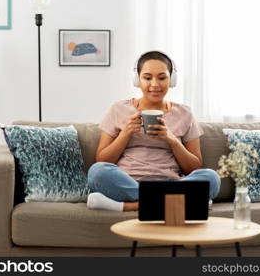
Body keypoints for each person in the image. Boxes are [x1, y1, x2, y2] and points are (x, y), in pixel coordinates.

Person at [87, 50, 220, 211]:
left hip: (172, 182)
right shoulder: (118, 109)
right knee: (97, 172)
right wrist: (126, 133)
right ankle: (179, 201)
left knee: (211, 178)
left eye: (162, 77)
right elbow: (102, 160)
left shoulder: (185, 113)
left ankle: (131, 206)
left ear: (172, 79)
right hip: (128, 182)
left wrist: (171, 139)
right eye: (147, 77)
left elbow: (194, 168)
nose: (155, 84)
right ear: (137, 79)